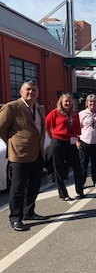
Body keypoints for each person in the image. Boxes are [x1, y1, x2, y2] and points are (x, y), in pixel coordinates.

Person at [0, 80, 48, 231]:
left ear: (37, 93)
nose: (31, 92)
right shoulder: (12, 107)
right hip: (19, 155)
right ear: (21, 92)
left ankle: (29, 212)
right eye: (28, 90)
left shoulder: (39, 108)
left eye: (34, 90)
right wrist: (13, 142)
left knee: (34, 186)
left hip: (37, 153)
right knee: (18, 188)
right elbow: (1, 128)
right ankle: (16, 218)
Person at [46, 93, 85, 201]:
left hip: (71, 142)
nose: (67, 103)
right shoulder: (55, 113)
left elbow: (77, 129)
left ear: (72, 102)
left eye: (70, 101)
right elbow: (47, 127)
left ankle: (80, 191)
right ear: (61, 102)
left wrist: (77, 140)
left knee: (77, 167)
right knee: (58, 168)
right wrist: (53, 137)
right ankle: (63, 194)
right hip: (58, 142)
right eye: (65, 101)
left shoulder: (75, 114)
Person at [78, 94, 96, 188]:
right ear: (87, 103)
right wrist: (77, 141)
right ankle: (81, 182)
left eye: (94, 101)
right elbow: (77, 128)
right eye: (90, 101)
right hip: (84, 142)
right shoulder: (82, 114)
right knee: (83, 164)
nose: (92, 103)